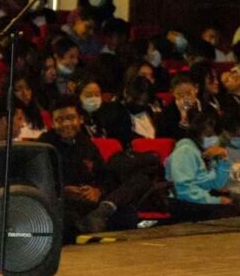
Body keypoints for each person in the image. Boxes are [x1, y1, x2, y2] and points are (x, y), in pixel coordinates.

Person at [38, 96, 155, 242]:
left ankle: (105, 209)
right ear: (52, 123)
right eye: (60, 120)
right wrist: (64, 191)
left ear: (80, 119)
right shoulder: (44, 145)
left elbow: (104, 176)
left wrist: (98, 190)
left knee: (128, 212)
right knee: (66, 220)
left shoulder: (85, 143)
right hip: (64, 203)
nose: (66, 124)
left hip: (93, 202)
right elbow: (38, 181)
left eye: (71, 118)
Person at [164, 112, 237, 222]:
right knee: (227, 210)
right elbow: (184, 190)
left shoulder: (205, 152)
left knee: (233, 203)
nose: (213, 139)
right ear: (196, 132)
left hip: (198, 198)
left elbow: (217, 184)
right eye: (208, 136)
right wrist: (214, 201)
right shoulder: (185, 151)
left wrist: (223, 159)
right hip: (182, 201)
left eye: (215, 135)